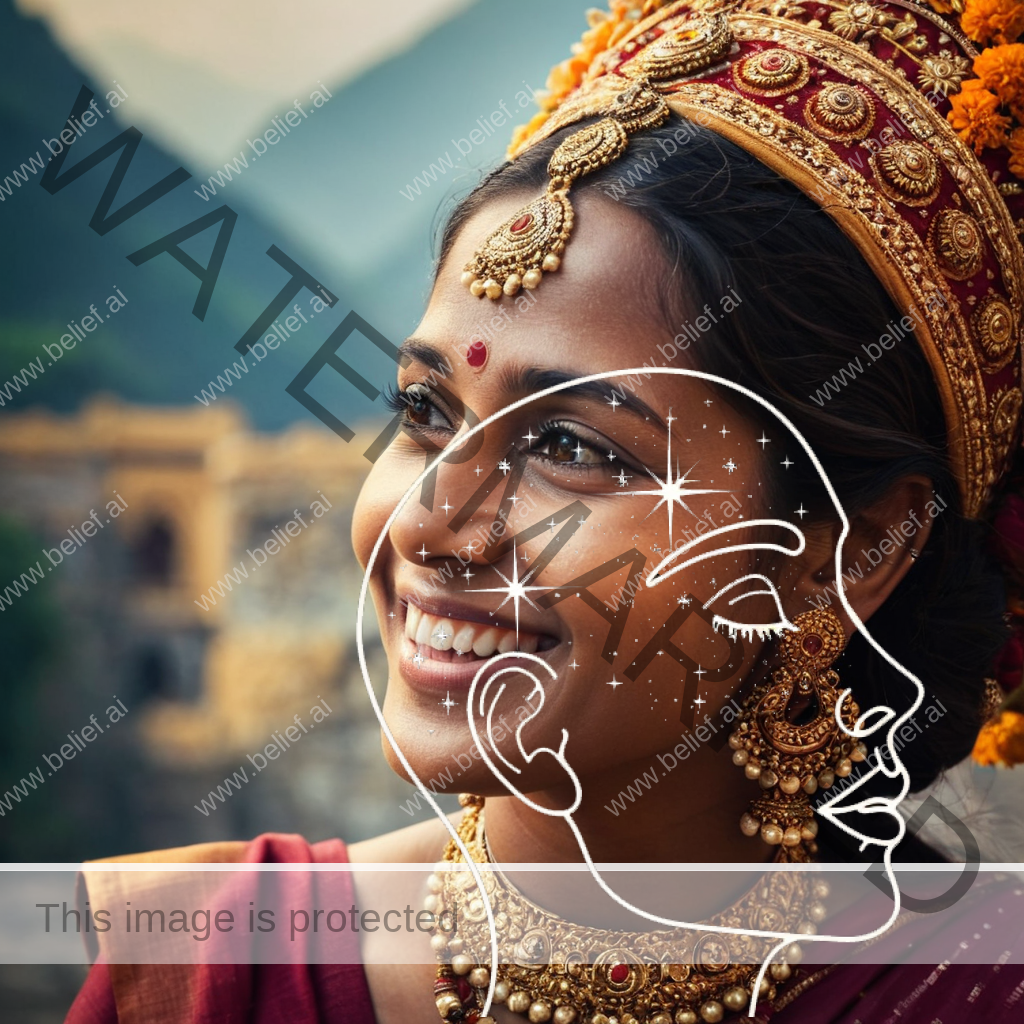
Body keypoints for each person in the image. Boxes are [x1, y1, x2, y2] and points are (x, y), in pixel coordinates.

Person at [67, 0, 1024, 1021]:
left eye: (571, 446)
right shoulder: (208, 971)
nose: (430, 521)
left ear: (852, 550)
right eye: (424, 411)